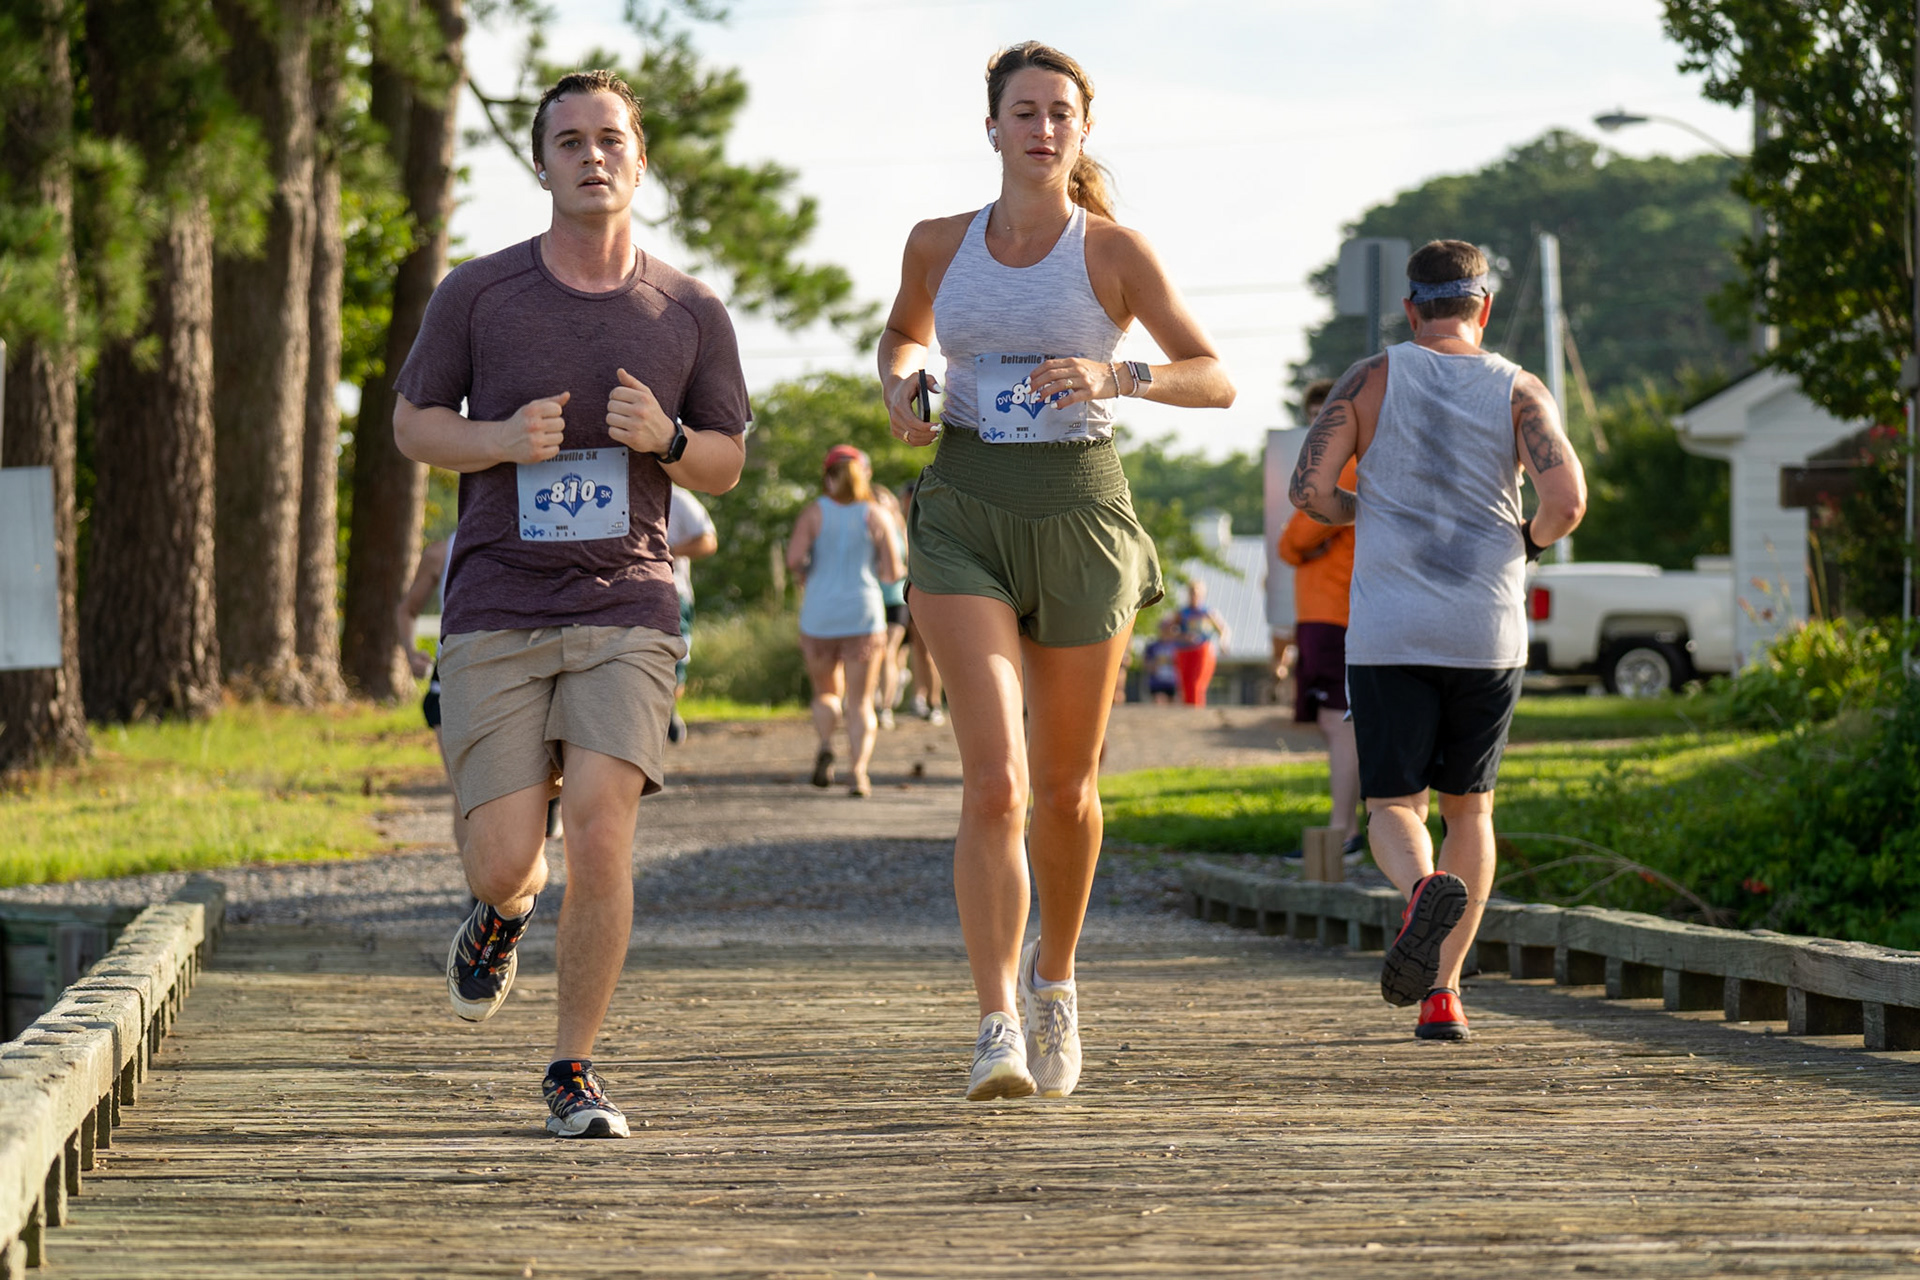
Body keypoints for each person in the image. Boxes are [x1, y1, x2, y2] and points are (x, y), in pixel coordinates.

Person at [392, 69, 750, 1138]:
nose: (593, 156)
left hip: (628, 601)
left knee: (600, 830)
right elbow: (413, 425)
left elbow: (726, 462)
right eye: (570, 142)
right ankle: (502, 912)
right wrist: (500, 439)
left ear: (639, 159)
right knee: (507, 859)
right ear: (542, 165)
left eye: (611, 139)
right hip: (496, 603)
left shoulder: (689, 309)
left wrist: (669, 440)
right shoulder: (478, 294)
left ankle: (572, 1068)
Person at [878, 40, 1235, 1100]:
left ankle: (1056, 980)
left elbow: (1214, 377)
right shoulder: (938, 242)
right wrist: (902, 384)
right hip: (963, 509)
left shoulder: (1114, 251)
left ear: (1083, 131)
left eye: (1060, 114)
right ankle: (996, 1021)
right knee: (997, 781)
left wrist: (1118, 373)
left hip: (1080, 510)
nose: (1041, 129)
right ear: (991, 127)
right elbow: (902, 336)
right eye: (1024, 112)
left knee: (1067, 789)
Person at [1287, 239, 1586, 1043]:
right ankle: (1445, 995)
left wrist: (1366, 509)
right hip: (1486, 630)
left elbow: (1310, 490)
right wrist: (1525, 541)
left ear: (1410, 309)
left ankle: (1421, 890)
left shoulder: (1371, 378)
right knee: (1470, 810)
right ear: (1482, 307)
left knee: (1394, 803)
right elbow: (1567, 502)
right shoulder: (1520, 388)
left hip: (1389, 630)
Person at [787, 445, 905, 798]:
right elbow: (893, 572)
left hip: (819, 614)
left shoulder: (813, 513)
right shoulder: (876, 514)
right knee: (861, 702)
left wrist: (808, 571)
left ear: (828, 477)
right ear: (864, 476)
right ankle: (858, 772)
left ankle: (826, 744)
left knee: (826, 693)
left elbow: (794, 559)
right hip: (863, 614)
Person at [1278, 377, 1364, 860]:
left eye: (1327, 416)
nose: (1319, 427)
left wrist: (1302, 543)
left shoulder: (1346, 466)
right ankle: (1349, 828)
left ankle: (1343, 832)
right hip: (1324, 612)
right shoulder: (1339, 464)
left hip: (1338, 612)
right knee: (1337, 722)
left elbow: (1294, 540)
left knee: (1340, 722)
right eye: (1313, 419)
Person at [665, 484, 719, 744]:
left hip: (673, 592)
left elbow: (708, 540)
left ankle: (668, 708)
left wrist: (669, 550)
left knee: (676, 659)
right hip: (620, 593)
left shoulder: (679, 498)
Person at [898, 479, 946, 725]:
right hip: (903, 594)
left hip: (926, 590)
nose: (905, 504)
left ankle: (934, 702)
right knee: (915, 650)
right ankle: (919, 698)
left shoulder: (929, 523)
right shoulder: (898, 523)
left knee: (929, 652)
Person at [869, 483, 911, 729]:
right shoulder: (866, 527)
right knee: (875, 653)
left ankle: (884, 708)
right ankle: (871, 700)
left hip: (896, 598)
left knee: (888, 651)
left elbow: (911, 560)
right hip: (872, 599)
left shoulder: (900, 528)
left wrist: (897, 570)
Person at [1171, 578, 1229, 705]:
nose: (1194, 596)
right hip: (1184, 651)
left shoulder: (1208, 612)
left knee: (1197, 683)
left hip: (1202, 650)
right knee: (1186, 684)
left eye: (1197, 593)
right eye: (1192, 592)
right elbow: (1170, 631)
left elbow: (1223, 630)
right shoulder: (1182, 613)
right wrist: (1183, 636)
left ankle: (1196, 709)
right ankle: (1188, 709)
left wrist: (1222, 643)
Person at [1142, 614, 1181, 704]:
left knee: (1175, 705)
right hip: (1157, 683)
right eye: (1165, 628)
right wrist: (1155, 664)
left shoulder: (1178, 646)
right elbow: (1146, 664)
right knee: (1159, 702)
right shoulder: (1152, 647)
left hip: (1173, 683)